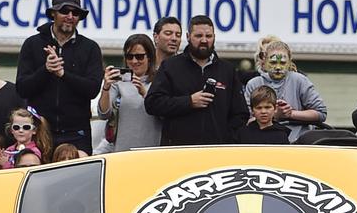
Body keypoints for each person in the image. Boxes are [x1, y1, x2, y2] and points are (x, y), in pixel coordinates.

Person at [15, 0, 103, 153]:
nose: (70, 16)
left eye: (75, 12)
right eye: (64, 11)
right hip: (39, 131)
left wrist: (63, 74)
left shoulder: (90, 48)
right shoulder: (32, 44)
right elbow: (22, 88)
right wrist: (45, 70)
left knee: (79, 178)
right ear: (53, 14)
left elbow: (92, 89)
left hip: (77, 133)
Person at [145, 15, 249, 146]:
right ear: (188, 37)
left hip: (218, 152)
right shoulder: (170, 66)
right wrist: (189, 101)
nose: (204, 40)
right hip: (178, 151)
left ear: (214, 37)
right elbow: (152, 103)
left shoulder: (227, 70)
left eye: (209, 36)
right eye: (199, 36)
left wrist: (226, 138)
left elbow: (240, 114)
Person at [242, 39, 327, 142]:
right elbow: (245, 120)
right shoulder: (254, 84)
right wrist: (274, 115)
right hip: (262, 140)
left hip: (297, 141)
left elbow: (321, 113)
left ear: (289, 62)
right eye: (273, 62)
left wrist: (290, 113)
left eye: (282, 63)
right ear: (264, 60)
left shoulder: (299, 80)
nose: (278, 67)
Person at [96, 34, 161, 152]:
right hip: (123, 151)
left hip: (152, 151)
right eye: (129, 57)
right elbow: (103, 114)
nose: (134, 61)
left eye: (140, 57)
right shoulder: (118, 82)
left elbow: (163, 113)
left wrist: (144, 94)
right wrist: (105, 87)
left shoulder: (160, 80)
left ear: (150, 57)